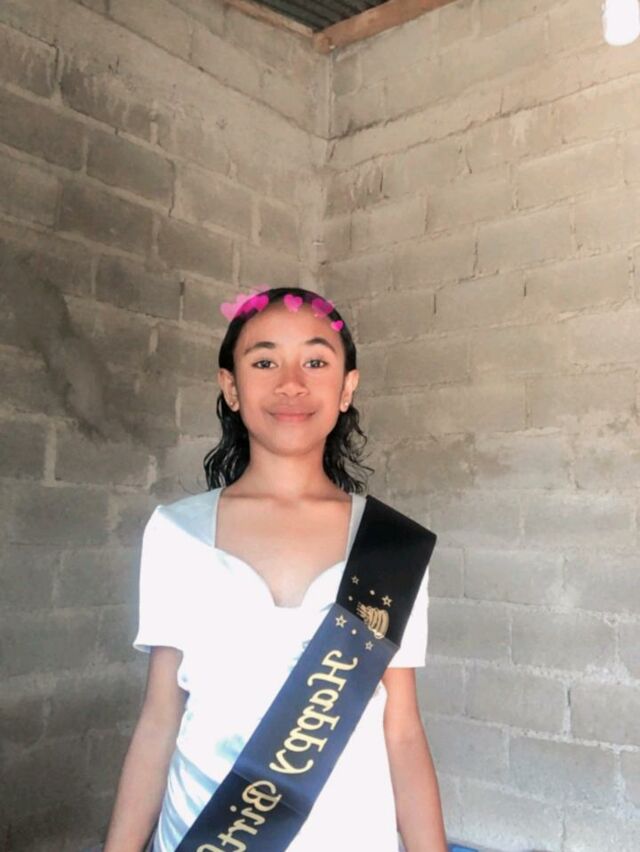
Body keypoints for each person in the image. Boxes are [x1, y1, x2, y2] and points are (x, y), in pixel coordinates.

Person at [103, 286, 448, 852]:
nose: (291, 383)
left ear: (347, 388)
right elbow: (160, 719)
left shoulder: (391, 546)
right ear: (231, 387)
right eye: (265, 362)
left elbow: (403, 730)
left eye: (316, 362)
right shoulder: (178, 532)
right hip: (201, 835)